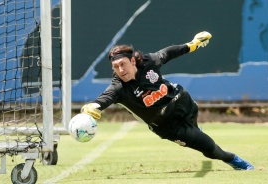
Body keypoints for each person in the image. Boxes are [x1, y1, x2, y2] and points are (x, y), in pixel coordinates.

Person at [81, 31, 254, 170]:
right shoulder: (119, 88)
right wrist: (93, 107)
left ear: (133, 61)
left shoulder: (148, 62)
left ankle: (194, 128)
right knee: (209, 148)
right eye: (115, 67)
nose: (120, 70)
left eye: (123, 64)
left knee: (194, 125)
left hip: (181, 101)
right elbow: (105, 98)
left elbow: (168, 52)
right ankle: (233, 159)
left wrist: (192, 45)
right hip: (168, 127)